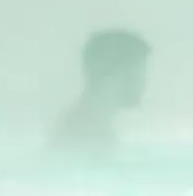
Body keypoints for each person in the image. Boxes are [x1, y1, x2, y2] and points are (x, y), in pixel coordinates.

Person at [49, 29, 148, 158]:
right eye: (139, 74)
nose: (143, 84)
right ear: (114, 74)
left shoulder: (83, 124)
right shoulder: (88, 131)